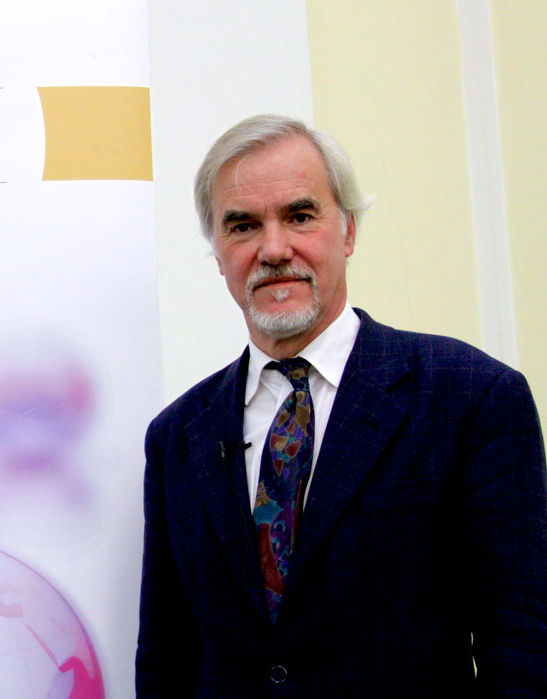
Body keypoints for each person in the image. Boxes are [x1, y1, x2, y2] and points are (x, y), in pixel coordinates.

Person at [135, 114, 547, 697]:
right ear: (218, 252)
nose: (274, 249)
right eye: (243, 225)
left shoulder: (471, 397)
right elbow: (166, 656)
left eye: (300, 216)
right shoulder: (177, 437)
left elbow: (525, 645)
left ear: (349, 231)